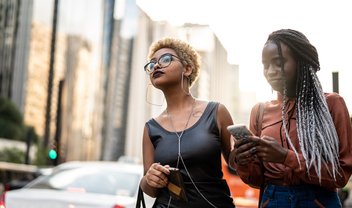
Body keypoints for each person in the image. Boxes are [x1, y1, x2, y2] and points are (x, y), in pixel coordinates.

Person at [229, 29, 352, 207]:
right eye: (265, 65)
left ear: (301, 62)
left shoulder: (331, 104)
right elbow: (256, 180)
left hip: (318, 200)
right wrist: (243, 161)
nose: (270, 71)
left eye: (278, 63)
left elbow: (340, 175)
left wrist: (286, 157)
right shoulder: (260, 111)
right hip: (273, 200)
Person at [139, 37, 235, 208]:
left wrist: (247, 151)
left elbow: (236, 165)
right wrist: (148, 179)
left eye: (166, 59)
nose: (157, 66)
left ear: (188, 68)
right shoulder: (151, 127)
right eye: (152, 64)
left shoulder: (217, 112)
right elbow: (150, 189)